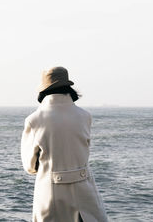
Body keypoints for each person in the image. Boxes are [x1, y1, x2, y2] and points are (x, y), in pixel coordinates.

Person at [21, 66, 108, 222]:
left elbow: (30, 166)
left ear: (44, 90)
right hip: (85, 189)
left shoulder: (34, 120)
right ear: (68, 88)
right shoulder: (85, 116)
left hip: (51, 193)